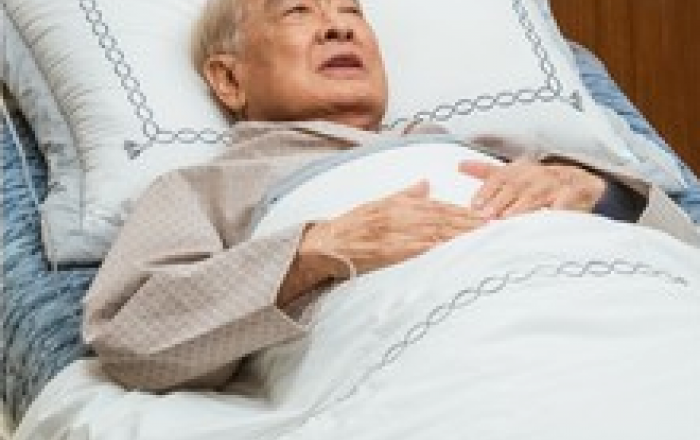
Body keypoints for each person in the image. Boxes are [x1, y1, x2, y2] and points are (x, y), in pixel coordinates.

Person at [83, 0, 698, 392]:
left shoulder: (492, 147)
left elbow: (685, 248)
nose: (339, 24)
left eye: (352, 10)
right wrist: (308, 255)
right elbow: (133, 341)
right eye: (298, 11)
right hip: (451, 362)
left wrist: (599, 192)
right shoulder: (203, 188)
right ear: (228, 79)